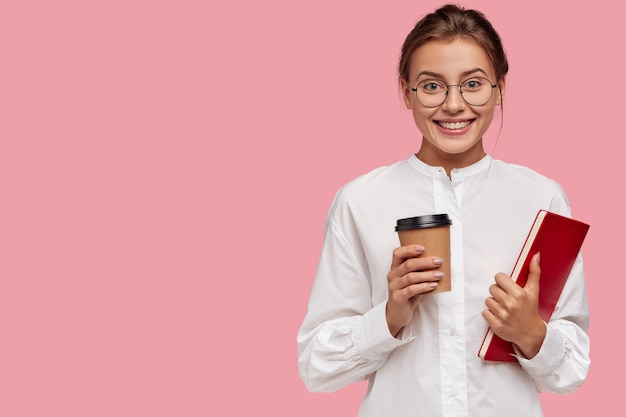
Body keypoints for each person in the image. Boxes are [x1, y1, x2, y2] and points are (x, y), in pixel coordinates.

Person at [297, 4, 590, 417]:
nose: (454, 104)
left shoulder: (542, 198)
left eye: (473, 83)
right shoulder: (360, 201)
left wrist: (532, 335)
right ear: (406, 92)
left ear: (500, 88)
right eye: (432, 86)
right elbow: (316, 365)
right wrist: (389, 317)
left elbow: (572, 370)